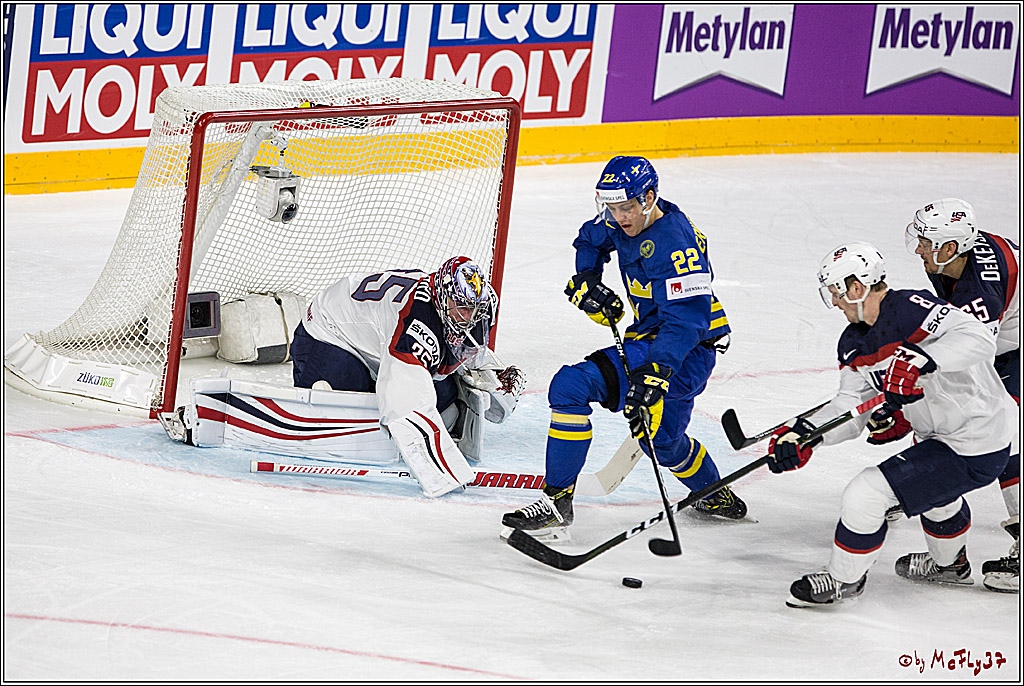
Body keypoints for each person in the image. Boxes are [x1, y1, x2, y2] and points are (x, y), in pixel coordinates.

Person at [501, 155, 745, 540]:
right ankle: (709, 492)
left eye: (626, 207)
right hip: (651, 338)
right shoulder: (621, 217)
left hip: (686, 352)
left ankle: (558, 503)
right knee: (654, 439)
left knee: (588, 396)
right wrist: (588, 279)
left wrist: (657, 374)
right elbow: (589, 239)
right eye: (611, 208)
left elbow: (686, 322)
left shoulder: (674, 244)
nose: (618, 217)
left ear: (648, 198)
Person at [768, 242, 1015, 608]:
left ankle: (842, 580)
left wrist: (923, 358)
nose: (834, 302)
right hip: (941, 438)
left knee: (866, 493)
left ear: (857, 287)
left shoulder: (911, 308)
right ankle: (950, 566)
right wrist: (806, 434)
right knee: (934, 494)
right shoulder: (854, 342)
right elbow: (850, 409)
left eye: (836, 291)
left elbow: (978, 337)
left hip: (979, 436)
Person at [291, 256, 525, 497]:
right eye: (462, 306)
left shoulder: (461, 308)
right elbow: (405, 400)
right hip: (328, 331)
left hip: (376, 338)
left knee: (447, 410)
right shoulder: (416, 321)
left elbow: (470, 349)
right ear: (443, 299)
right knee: (344, 417)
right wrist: (442, 473)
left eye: (474, 308)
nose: (469, 316)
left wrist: (493, 377)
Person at [903, 198, 1019, 593]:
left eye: (925, 242)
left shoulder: (980, 289)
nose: (918, 249)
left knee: (1006, 434)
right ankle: (948, 553)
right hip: (1006, 341)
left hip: (1012, 349)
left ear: (950, 247)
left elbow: (970, 353)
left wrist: (916, 370)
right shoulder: (954, 260)